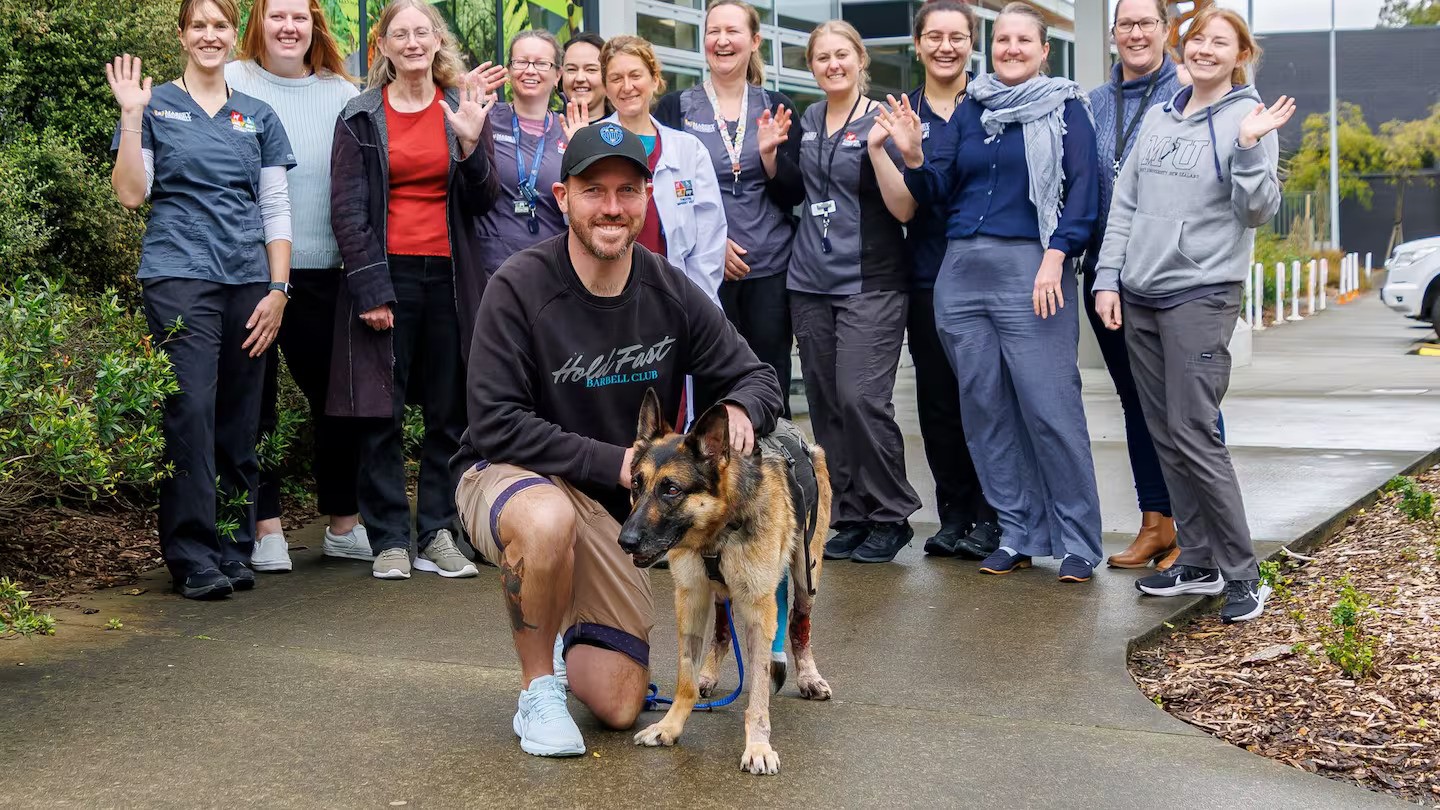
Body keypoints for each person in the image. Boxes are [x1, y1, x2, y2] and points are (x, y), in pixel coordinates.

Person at [451, 122, 784, 757]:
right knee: (547, 519)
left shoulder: (669, 290)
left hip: (612, 509)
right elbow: (494, 422)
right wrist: (616, 461)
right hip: (509, 477)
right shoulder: (517, 286)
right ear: (562, 197)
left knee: (619, 704)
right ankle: (537, 688)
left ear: (647, 198)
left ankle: (563, 622)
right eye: (593, 190)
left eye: (627, 190)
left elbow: (757, 375)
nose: (611, 207)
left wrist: (743, 406)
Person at [888, 1, 1102, 582]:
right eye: (1003, 39)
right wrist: (914, 155)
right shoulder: (973, 107)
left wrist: (1056, 257)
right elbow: (937, 187)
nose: (1011, 49)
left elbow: (1084, 191)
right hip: (960, 272)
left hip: (1034, 269)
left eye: (1023, 40)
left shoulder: (1066, 109)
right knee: (984, 411)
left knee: (1050, 409)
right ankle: (1017, 532)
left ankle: (1079, 541)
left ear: (1043, 50)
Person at [1093, 6, 1292, 623]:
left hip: (1201, 294)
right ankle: (1198, 558)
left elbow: (1257, 212)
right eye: (1198, 39)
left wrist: (1250, 146)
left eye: (1220, 43)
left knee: (1196, 432)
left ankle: (1244, 573)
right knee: (1165, 432)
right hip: (1141, 294)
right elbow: (1125, 205)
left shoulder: (1248, 119)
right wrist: (1108, 277)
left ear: (1241, 56)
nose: (1205, 50)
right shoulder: (1160, 115)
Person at [107, 0, 295, 599]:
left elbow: (275, 210)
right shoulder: (155, 105)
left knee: (241, 416)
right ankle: (192, 554)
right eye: (198, 26)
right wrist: (131, 117)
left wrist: (279, 289)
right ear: (182, 35)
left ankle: (234, 549)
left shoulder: (258, 115)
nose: (210, 36)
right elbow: (131, 195)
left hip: (249, 281)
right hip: (179, 276)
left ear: (233, 34)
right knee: (191, 410)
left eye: (220, 25)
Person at [329, 0, 498, 580]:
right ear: (382, 46)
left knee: (449, 412)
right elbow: (347, 211)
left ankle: (437, 533)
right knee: (381, 412)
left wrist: (471, 146)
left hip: (450, 278)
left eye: (421, 32)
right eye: (399, 34)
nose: (412, 43)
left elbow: (484, 199)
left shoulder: (460, 108)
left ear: (436, 41)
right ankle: (388, 541)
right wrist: (371, 289)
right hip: (388, 275)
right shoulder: (359, 116)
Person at [226, 0, 366, 573]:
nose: (288, 27)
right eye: (277, 15)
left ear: (315, 25)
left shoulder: (343, 94)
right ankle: (266, 529)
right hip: (248, 271)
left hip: (326, 270)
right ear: (257, 22)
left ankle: (343, 523)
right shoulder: (230, 82)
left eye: (299, 17)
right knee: (253, 404)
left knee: (337, 403)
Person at [793, 21, 921, 566]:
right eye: (822, 57)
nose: (833, 64)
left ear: (861, 58)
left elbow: (905, 209)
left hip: (871, 281)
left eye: (842, 54)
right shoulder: (807, 119)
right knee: (826, 404)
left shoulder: (882, 120)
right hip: (809, 282)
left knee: (860, 398)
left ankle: (890, 513)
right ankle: (849, 513)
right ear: (812, 66)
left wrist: (878, 152)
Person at [653, 0, 805, 420]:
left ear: (754, 41)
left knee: (770, 377)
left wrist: (771, 159)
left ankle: (772, 460)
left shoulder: (776, 105)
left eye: (733, 31)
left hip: (769, 268)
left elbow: (795, 193)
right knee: (710, 382)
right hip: (703, 270)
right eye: (713, 31)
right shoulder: (676, 108)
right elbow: (665, 190)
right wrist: (714, 243)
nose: (722, 40)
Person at [1080, 0, 1185, 572]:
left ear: (1166, 30)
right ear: (1113, 33)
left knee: (1185, 405)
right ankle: (1156, 523)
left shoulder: (1187, 92)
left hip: (1168, 275)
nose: (1136, 33)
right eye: (1126, 24)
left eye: (1147, 23)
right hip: (1108, 277)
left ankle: (1196, 526)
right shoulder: (1095, 103)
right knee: (1136, 402)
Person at [900, 0, 999, 560]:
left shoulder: (991, 105)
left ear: (971, 43)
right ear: (918, 45)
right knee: (937, 403)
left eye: (957, 36)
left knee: (984, 398)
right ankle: (954, 515)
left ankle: (992, 515)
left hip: (984, 274)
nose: (945, 46)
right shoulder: (903, 111)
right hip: (926, 274)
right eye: (934, 36)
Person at [461, 29, 570, 352]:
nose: (530, 70)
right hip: (491, 272)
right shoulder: (484, 118)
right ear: (508, 70)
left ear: (557, 75)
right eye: (521, 62)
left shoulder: (570, 130)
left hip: (551, 275)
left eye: (541, 63)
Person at [600, 36, 727, 306]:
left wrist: (693, 301)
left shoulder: (689, 150)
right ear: (606, 88)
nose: (627, 86)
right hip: (609, 295)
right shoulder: (591, 143)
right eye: (616, 78)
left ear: (655, 80)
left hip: (678, 296)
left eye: (636, 75)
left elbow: (710, 235)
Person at [560, 32, 608, 124]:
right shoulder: (548, 127)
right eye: (571, 69)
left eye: (591, 69)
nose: (580, 78)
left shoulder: (621, 128)